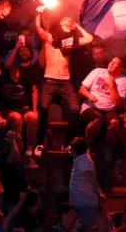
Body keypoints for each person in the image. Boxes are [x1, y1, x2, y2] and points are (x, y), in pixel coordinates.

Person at [34, 9, 93, 150]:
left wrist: (77, 26)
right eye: (65, 19)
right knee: (43, 110)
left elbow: (89, 38)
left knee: (74, 110)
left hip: (65, 82)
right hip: (49, 80)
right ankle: (40, 144)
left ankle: (66, 143)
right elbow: (38, 28)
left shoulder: (71, 42)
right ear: (60, 24)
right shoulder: (50, 38)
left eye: (69, 20)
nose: (67, 20)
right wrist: (38, 13)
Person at [79, 57, 126, 150]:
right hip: (91, 107)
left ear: (122, 69)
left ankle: (109, 150)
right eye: (111, 61)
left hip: (109, 110)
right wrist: (90, 96)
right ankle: (85, 146)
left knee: (115, 123)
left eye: (115, 63)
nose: (111, 64)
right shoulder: (98, 71)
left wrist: (111, 84)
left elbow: (118, 103)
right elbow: (82, 89)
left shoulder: (123, 79)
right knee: (97, 120)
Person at [69, 138, 104, 232]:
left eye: (71, 148)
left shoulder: (84, 161)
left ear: (76, 150)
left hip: (85, 204)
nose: (69, 150)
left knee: (84, 229)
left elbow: (91, 179)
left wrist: (100, 193)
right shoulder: (80, 160)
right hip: (80, 203)